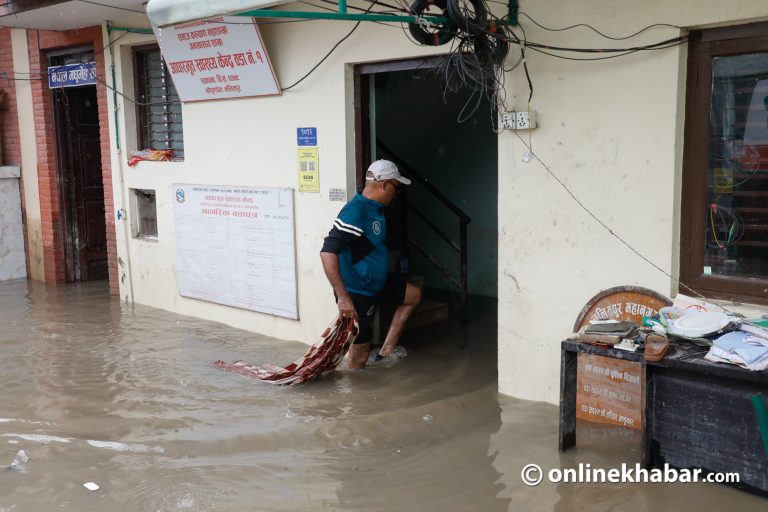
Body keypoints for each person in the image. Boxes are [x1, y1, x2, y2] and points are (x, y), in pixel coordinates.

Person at [320, 159, 422, 369]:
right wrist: (343, 297)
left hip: (375, 284)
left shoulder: (375, 209)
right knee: (359, 355)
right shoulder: (356, 212)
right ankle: (358, 399)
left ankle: (385, 353)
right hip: (358, 293)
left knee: (413, 296)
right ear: (384, 184)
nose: (396, 193)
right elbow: (327, 252)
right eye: (396, 187)